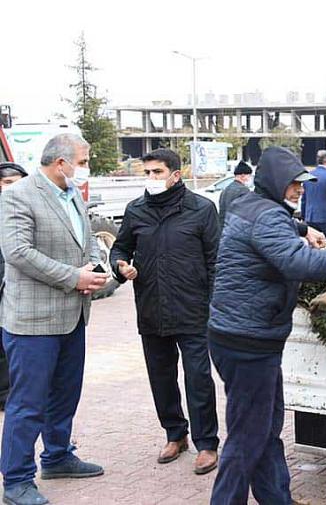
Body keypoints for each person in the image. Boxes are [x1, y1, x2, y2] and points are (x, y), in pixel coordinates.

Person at [207, 146, 326, 505]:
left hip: (241, 336)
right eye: (293, 183)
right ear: (274, 181)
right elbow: (298, 264)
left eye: (302, 183)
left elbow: (270, 225)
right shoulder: (267, 216)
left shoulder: (248, 205)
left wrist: (303, 228)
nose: (299, 189)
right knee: (247, 436)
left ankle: (277, 498)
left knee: (265, 428)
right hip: (248, 341)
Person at [0, 134, 107, 505]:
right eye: (83, 161)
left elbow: (87, 240)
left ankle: (58, 457)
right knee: (28, 403)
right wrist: (73, 277)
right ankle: (16, 481)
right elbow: (17, 252)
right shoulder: (18, 195)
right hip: (33, 321)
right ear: (61, 163)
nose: (86, 167)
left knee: (64, 394)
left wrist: (96, 268)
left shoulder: (71, 193)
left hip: (72, 316)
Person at [109, 148, 220, 475]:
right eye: (147, 173)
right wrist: (120, 266)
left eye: (157, 172)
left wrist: (215, 305)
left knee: (198, 378)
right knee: (161, 377)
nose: (151, 178)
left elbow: (216, 260)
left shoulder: (201, 209)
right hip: (152, 307)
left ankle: (206, 443)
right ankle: (175, 434)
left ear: (175, 174)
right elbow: (120, 247)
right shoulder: (136, 210)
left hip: (193, 309)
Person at [0, 162, 28, 412]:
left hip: (15, 294)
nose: (13, 188)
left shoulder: (27, 212)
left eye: (18, 183)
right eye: (7, 183)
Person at [218, 160, 252, 228]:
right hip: (236, 228)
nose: (249, 178)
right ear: (243, 176)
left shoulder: (225, 190)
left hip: (224, 228)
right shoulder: (244, 190)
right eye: (249, 176)